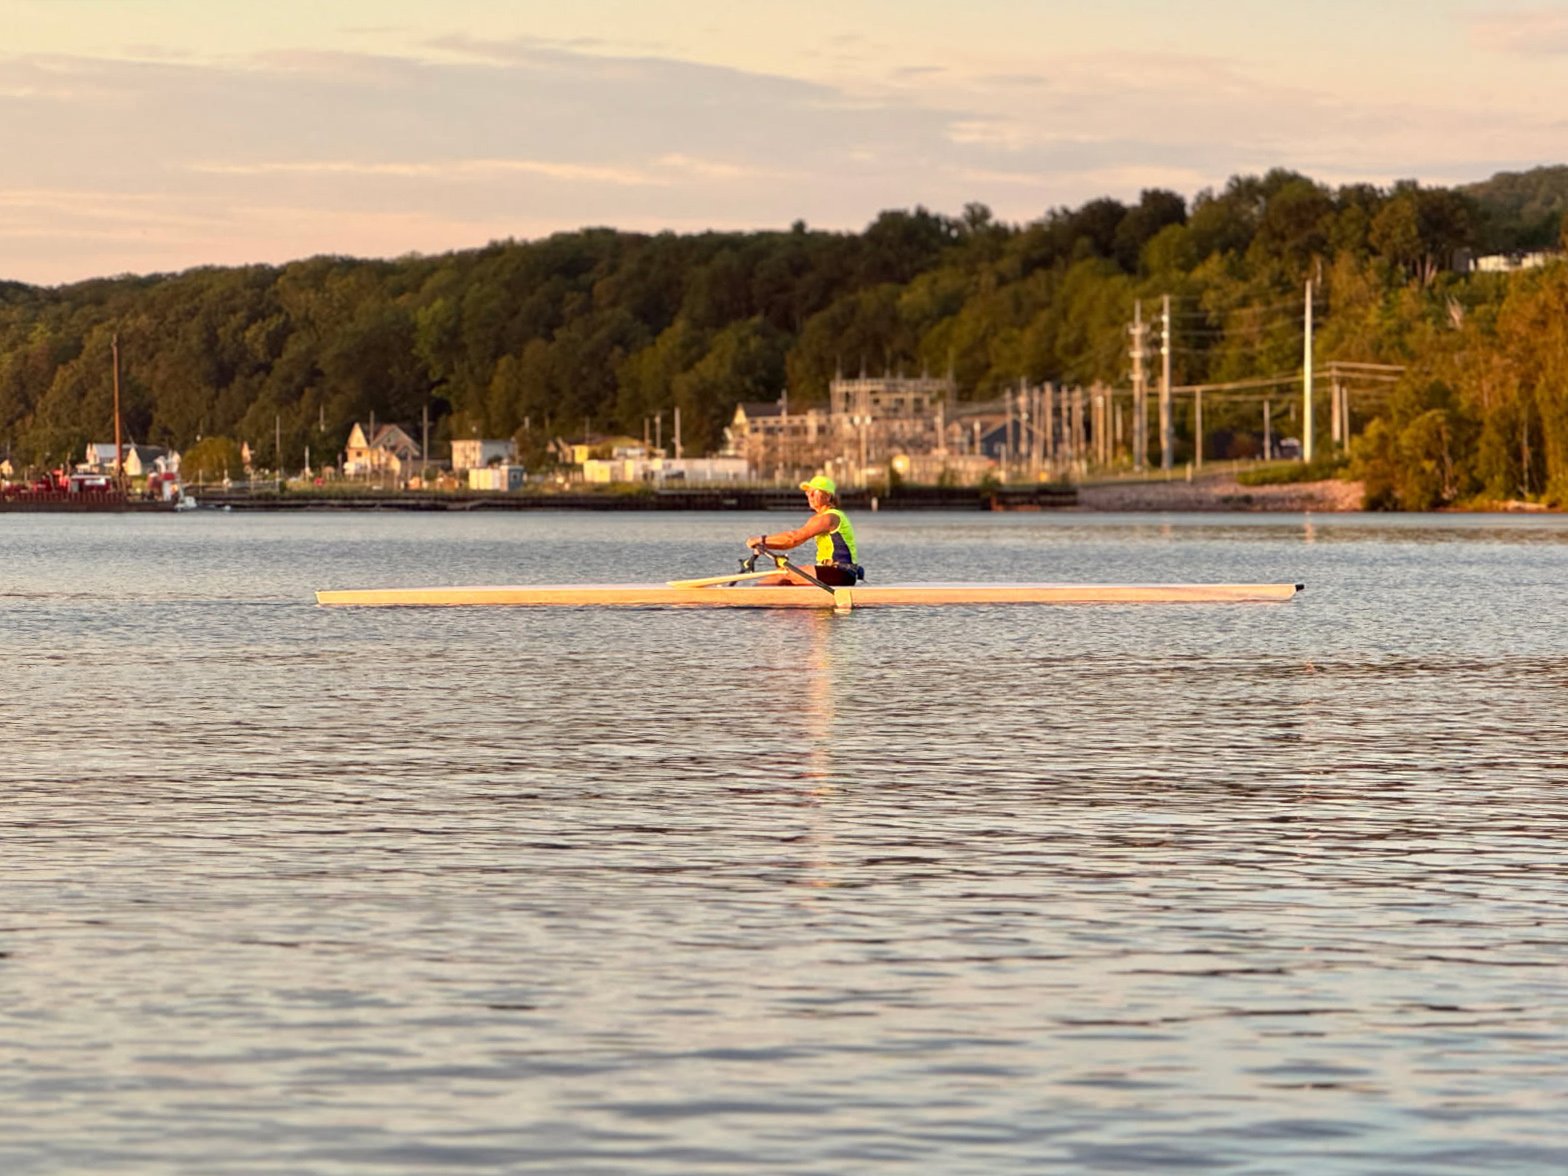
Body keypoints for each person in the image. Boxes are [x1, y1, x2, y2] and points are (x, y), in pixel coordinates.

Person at [746, 475, 864, 587]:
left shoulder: (829, 518)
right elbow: (791, 543)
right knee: (782, 576)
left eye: (814, 492)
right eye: (808, 492)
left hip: (841, 573)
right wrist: (765, 544)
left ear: (828, 496)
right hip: (829, 572)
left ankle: (751, 599)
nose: (810, 496)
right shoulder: (818, 518)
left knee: (783, 575)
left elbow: (793, 538)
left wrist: (760, 539)